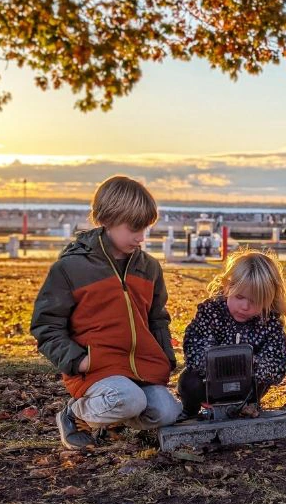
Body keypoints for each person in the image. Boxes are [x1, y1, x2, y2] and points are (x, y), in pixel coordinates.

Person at [31, 176, 181, 449]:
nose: (141, 237)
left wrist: (166, 359)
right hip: (96, 370)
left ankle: (110, 421)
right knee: (128, 400)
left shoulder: (149, 268)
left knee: (167, 412)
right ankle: (74, 414)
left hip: (141, 368)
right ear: (108, 219)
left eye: (145, 228)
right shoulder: (70, 268)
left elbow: (157, 318)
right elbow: (46, 325)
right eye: (134, 228)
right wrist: (78, 361)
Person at [177, 249, 286, 417]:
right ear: (227, 287)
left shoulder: (269, 323)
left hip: (246, 385)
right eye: (239, 297)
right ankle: (190, 412)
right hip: (209, 381)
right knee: (188, 380)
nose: (245, 307)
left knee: (260, 382)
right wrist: (213, 364)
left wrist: (254, 365)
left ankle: (245, 407)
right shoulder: (212, 312)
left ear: (268, 299)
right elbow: (194, 342)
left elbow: (277, 360)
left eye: (255, 301)